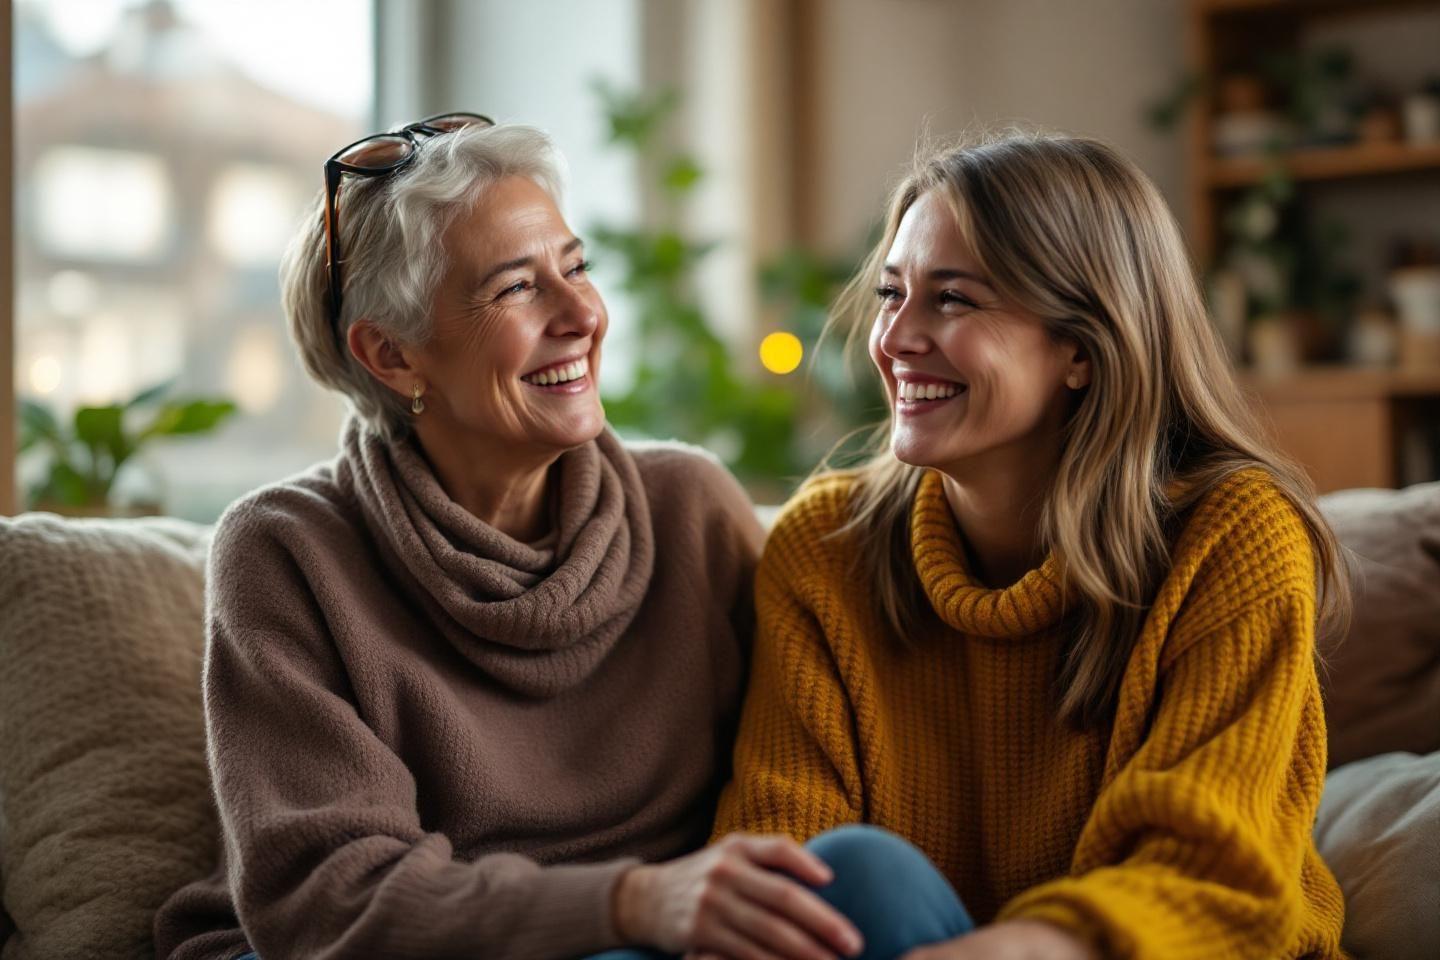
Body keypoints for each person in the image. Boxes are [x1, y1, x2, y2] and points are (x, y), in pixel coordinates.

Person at [153, 115, 863, 960]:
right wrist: (630, 902)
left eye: (575, 268)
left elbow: (807, 786)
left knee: (867, 875)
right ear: (392, 355)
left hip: (671, 945)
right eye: (516, 288)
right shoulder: (287, 552)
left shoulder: (690, 507)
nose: (582, 315)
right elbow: (329, 901)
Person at [709, 131, 1351, 960]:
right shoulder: (825, 548)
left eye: (953, 299)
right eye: (890, 292)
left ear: (1080, 349)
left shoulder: (1234, 536)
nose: (894, 338)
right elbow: (780, 845)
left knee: (865, 877)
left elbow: (1211, 873)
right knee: (840, 883)